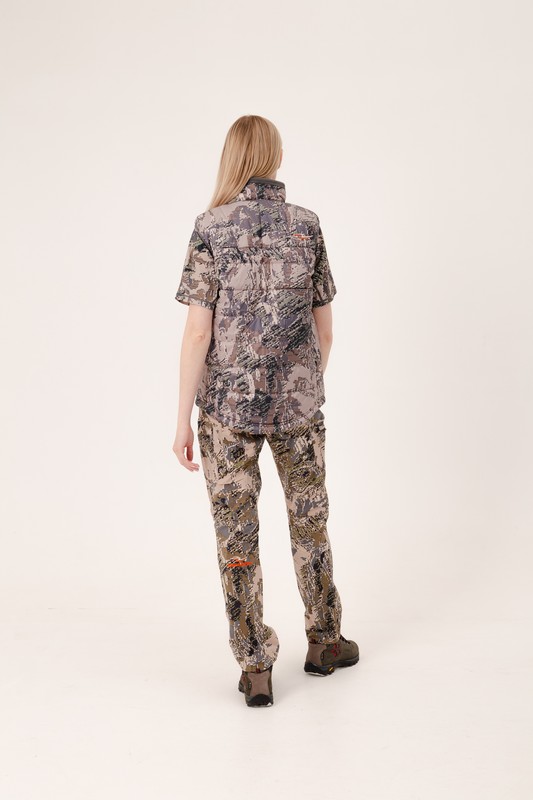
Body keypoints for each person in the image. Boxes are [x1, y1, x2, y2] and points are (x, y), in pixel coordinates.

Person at [172, 115, 359, 707]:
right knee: (310, 522)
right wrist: (302, 385)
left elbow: (197, 333)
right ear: (274, 157)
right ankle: (324, 641)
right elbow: (325, 332)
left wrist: (182, 419)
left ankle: (254, 666)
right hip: (297, 407)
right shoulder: (307, 225)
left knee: (236, 535)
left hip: (225, 411)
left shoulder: (210, 228)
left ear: (233, 157)